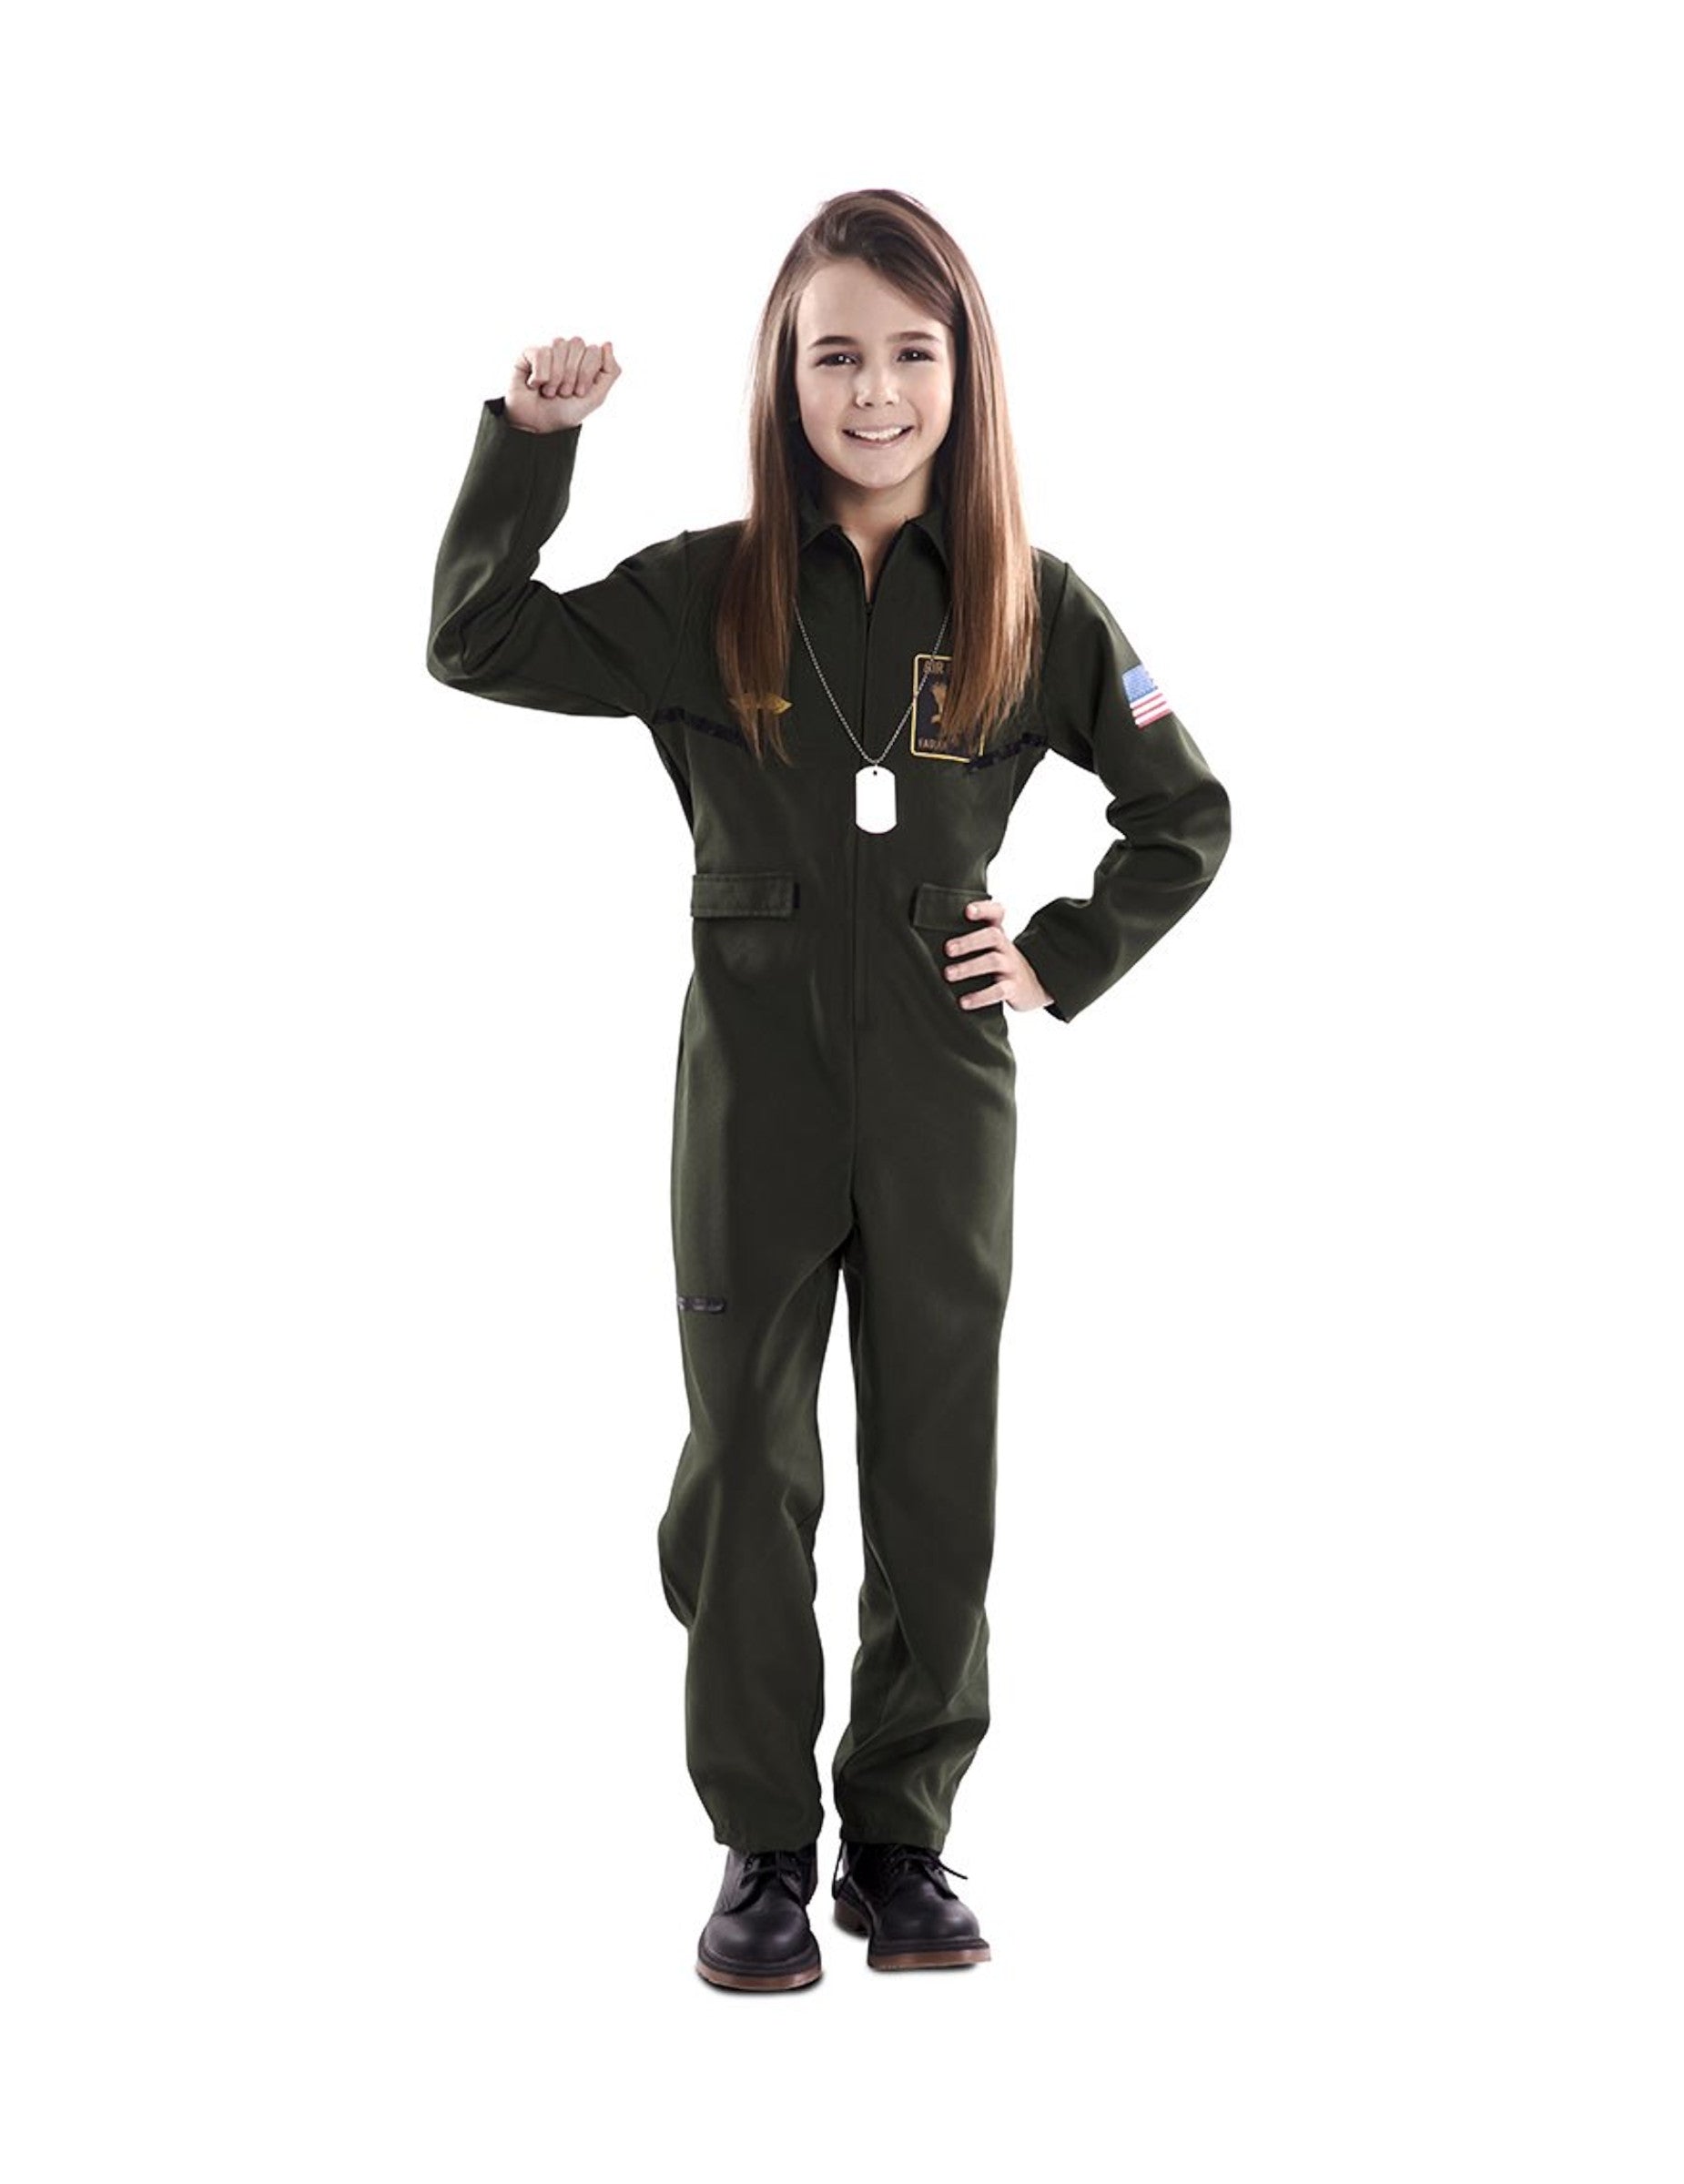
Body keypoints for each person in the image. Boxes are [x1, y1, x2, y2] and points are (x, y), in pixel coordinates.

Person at [426, 188, 1232, 1991]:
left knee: (934, 1468)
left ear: (965, 375)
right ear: (782, 381)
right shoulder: (704, 592)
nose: (875, 394)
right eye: (836, 357)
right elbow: (474, 641)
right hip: (755, 1092)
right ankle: (763, 1849)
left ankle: (902, 1838)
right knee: (743, 1471)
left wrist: (1061, 950)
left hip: (945, 1090)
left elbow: (1186, 810)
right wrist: (530, 447)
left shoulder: (1032, 601)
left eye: (910, 355)